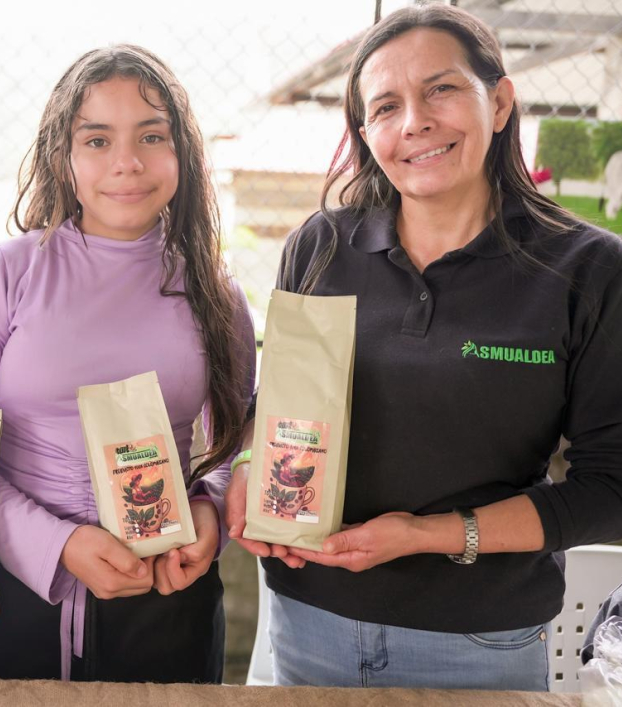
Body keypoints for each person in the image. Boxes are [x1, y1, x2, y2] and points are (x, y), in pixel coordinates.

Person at [225, 4, 622, 691]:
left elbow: (608, 491)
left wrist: (426, 533)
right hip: (308, 616)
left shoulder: (588, 271)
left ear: (498, 102)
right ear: (365, 133)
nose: (415, 122)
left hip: (477, 639)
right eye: (385, 107)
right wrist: (247, 467)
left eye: (440, 89)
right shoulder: (320, 248)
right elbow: (280, 407)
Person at [0, 44, 255, 683]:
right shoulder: (6, 275)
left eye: (151, 136)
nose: (126, 163)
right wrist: (56, 545)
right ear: (64, 157)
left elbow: (238, 437)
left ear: (183, 155)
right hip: (19, 598)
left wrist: (209, 512)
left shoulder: (213, 290)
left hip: (170, 598)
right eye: (97, 140)